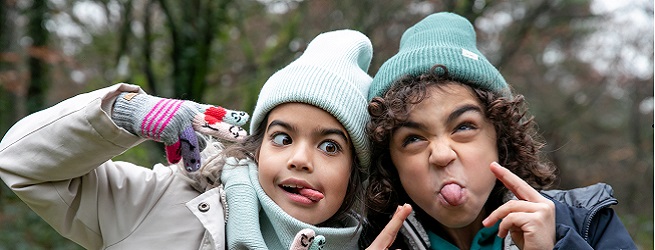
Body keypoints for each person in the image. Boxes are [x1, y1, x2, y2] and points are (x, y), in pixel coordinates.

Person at [0, 29, 387, 249]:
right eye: (282, 137)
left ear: (356, 172)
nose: (300, 159)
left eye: (330, 146)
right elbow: (21, 164)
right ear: (256, 147)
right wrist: (120, 114)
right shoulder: (159, 200)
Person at [359, 12, 637, 249]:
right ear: (391, 165)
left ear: (500, 138)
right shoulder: (363, 243)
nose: (441, 155)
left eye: (464, 127)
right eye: (414, 139)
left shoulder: (589, 222)